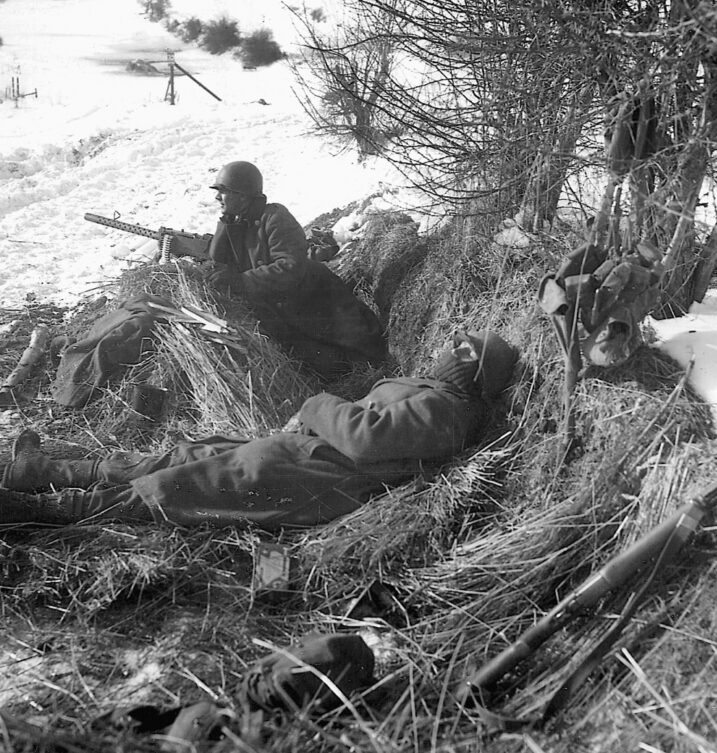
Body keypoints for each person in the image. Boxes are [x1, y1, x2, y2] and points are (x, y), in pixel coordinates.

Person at [0, 330, 519, 529]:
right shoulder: (438, 396)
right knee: (188, 455)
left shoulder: (446, 411)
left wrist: (316, 403)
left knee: (177, 487)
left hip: (314, 474)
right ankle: (43, 471)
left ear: (470, 368)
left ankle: (46, 512)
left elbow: (365, 439)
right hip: (305, 454)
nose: (446, 345)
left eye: (460, 346)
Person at [204, 160, 387, 379]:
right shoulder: (238, 223)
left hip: (318, 310)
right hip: (288, 316)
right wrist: (225, 224)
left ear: (242, 195)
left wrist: (241, 281)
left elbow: (290, 269)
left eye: (223, 192)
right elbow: (217, 263)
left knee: (344, 368)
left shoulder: (275, 218)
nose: (217, 198)